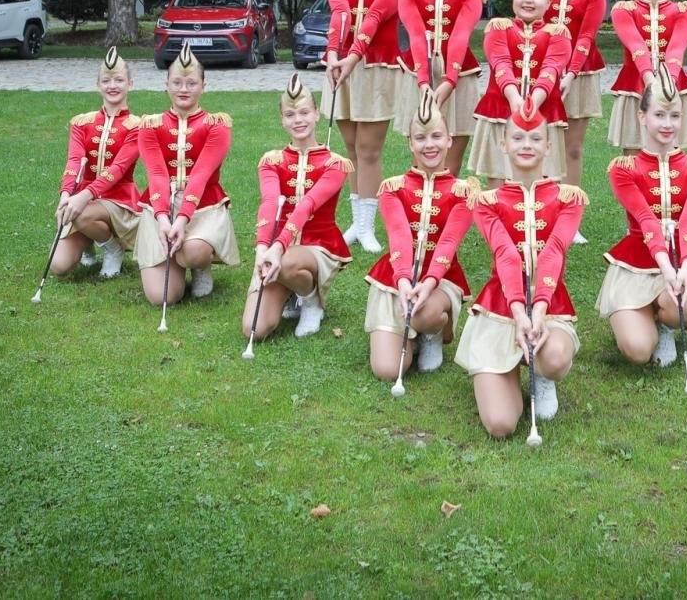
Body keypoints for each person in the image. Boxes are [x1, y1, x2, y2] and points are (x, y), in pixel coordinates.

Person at [456, 100, 586, 438]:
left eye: (534, 138)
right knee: (500, 425)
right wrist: (519, 312)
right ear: (503, 144)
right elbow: (505, 254)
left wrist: (539, 309)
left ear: (547, 145)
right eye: (517, 138)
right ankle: (504, 368)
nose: (526, 145)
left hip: (550, 307)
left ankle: (541, 375)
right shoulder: (487, 202)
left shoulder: (568, 198)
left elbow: (554, 251)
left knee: (555, 357)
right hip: (501, 306)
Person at [598, 66, 687, 369]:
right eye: (659, 115)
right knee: (637, 351)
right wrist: (665, 267)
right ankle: (635, 316)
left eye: (674, 116)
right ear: (641, 116)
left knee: (680, 306)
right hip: (637, 260)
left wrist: (684, 269)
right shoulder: (623, 168)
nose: (667, 124)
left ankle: (664, 324)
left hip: (679, 259)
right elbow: (646, 220)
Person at [365, 89, 477, 381]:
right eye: (421, 138)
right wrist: (403, 280)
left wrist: (427, 284)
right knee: (388, 370)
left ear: (449, 140)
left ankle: (433, 331)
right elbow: (399, 236)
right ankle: (408, 333)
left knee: (424, 313)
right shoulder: (392, 188)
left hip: (440, 281)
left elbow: (448, 243)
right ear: (410, 143)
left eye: (437, 136)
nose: (430, 145)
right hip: (395, 279)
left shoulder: (464, 191)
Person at [242, 75, 352, 342]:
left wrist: (278, 248)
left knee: (289, 262)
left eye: (304, 112)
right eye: (290, 114)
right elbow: (269, 203)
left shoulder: (335, 164)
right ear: (282, 119)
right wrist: (261, 250)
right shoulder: (272, 160)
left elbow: (307, 205)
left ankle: (311, 300)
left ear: (316, 114)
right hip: (276, 249)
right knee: (254, 329)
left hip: (317, 246)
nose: (298, 120)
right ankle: (290, 292)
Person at [325, 0, 409, 253]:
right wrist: (332, 54)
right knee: (350, 150)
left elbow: (375, 16)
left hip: (375, 67)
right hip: (340, 67)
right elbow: (340, 13)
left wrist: (352, 55)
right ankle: (355, 224)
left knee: (369, 150)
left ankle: (367, 227)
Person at [134, 43, 239, 307]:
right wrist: (162, 219)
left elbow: (201, 175)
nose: (183, 89)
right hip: (160, 204)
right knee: (163, 298)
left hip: (203, 205)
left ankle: (198, 265)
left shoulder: (217, 125)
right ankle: (172, 259)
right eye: (177, 82)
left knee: (194, 252)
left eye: (191, 83)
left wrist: (181, 220)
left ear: (204, 85)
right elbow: (156, 174)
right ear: (166, 84)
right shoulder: (149, 125)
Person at [395, 0, 485, 175]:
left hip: (459, 74)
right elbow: (416, 36)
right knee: (421, 157)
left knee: (452, 161)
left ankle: (448, 216)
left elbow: (460, 36)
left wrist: (449, 82)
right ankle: (420, 216)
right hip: (417, 73)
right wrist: (424, 82)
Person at [470, 0, 572, 186]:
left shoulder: (558, 32)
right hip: (500, 111)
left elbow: (551, 70)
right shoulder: (498, 27)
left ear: (549, 2)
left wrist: (534, 102)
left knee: (543, 185)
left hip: (545, 114)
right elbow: (501, 64)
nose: (528, 0)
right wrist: (514, 98)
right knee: (498, 183)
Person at [52, 47, 142, 279]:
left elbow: (118, 169)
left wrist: (82, 198)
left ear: (130, 84)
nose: (113, 86)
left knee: (82, 214)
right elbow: (74, 162)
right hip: (84, 201)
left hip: (119, 199)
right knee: (59, 266)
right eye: (106, 80)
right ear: (98, 85)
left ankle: (113, 248)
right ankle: (89, 242)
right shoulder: (82, 122)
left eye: (119, 80)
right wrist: (65, 195)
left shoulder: (137, 126)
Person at [546, 0, 607, 243]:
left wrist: (568, 72)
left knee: (572, 147)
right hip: (543, 74)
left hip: (580, 75)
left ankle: (571, 217)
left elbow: (587, 34)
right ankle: (544, 210)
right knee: (543, 144)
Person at [609, 0, 687, 154]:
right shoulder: (623, 10)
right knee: (634, 156)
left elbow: (676, 50)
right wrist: (650, 82)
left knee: (671, 155)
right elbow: (637, 47)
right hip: (635, 86)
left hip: (673, 87)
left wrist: (667, 86)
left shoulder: (683, 11)